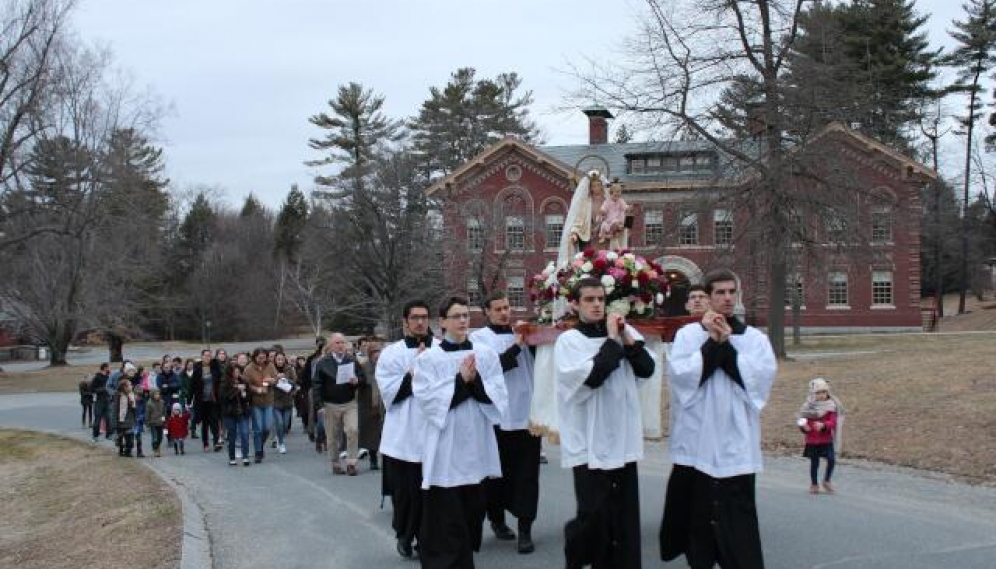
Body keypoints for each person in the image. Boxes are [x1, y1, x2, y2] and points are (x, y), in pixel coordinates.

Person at [661, 269, 777, 569]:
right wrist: (712, 343)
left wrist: (725, 345)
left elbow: (759, 380)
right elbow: (683, 378)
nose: (727, 298)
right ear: (709, 298)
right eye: (720, 293)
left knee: (737, 516)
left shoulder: (753, 339)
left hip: (735, 439)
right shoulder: (688, 335)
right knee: (698, 516)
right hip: (697, 439)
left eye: (731, 292)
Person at [555, 277, 655, 569]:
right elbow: (592, 377)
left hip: (622, 437)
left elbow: (647, 369)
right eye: (589, 300)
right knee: (594, 516)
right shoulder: (569, 341)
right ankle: (576, 548)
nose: (597, 304)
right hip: (588, 439)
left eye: (601, 299)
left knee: (623, 518)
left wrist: (626, 340)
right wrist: (612, 341)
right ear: (575, 304)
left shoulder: (624, 332)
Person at [413, 297, 508, 569]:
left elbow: (498, 397)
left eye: (466, 315)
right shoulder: (429, 359)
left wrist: (474, 380)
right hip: (445, 447)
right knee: (448, 521)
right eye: (456, 316)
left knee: (472, 512)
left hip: (476, 443)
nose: (463, 321)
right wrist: (460, 381)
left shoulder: (485, 355)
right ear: (442, 322)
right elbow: (429, 403)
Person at [470, 292, 540, 554]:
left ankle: (525, 529)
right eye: (498, 309)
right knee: (495, 475)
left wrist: (531, 341)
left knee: (527, 476)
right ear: (487, 312)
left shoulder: (524, 333)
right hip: (496, 417)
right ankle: (497, 520)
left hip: (526, 417)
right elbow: (491, 369)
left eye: (507, 307)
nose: (503, 312)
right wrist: (517, 347)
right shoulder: (479, 339)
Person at [376, 300, 437, 559]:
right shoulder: (391, 353)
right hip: (404, 434)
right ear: (405, 322)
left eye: (424, 317)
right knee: (406, 494)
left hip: (434, 432)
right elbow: (390, 395)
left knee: (431, 493)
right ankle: (404, 534)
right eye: (415, 318)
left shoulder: (441, 349)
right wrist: (414, 371)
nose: (420, 322)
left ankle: (427, 539)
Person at [313, 333, 366, 475]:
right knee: (332, 436)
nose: (340, 345)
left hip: (349, 402)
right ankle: (335, 463)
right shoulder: (322, 363)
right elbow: (316, 385)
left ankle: (351, 462)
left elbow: (362, 378)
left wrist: (357, 380)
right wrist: (320, 406)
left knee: (353, 430)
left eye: (342, 342)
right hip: (330, 404)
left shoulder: (351, 360)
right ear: (330, 346)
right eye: (337, 343)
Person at [798, 377, 841, 494]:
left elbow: (833, 422)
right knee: (814, 463)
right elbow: (801, 420)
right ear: (812, 394)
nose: (821, 395)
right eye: (818, 393)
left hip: (826, 439)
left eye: (824, 392)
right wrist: (804, 427)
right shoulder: (807, 407)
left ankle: (827, 480)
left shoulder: (831, 406)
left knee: (831, 460)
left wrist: (824, 425)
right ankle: (814, 484)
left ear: (828, 392)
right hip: (812, 440)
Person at [243, 348, 277, 463]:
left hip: (268, 400)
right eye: (259, 358)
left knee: (267, 427)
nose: (262, 360)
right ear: (255, 357)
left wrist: (272, 380)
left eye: (264, 357)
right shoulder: (248, 369)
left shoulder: (271, 366)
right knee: (258, 429)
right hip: (255, 402)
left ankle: (260, 445)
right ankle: (258, 452)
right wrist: (256, 389)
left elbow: (276, 379)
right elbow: (246, 384)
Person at [357, 340, 384, 471]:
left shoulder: (386, 365)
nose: (377, 355)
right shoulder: (363, 366)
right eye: (374, 352)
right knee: (371, 434)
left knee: (385, 432)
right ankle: (373, 459)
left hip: (384, 403)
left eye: (379, 351)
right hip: (368, 402)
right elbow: (359, 383)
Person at [221, 362, 253, 466]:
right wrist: (237, 390)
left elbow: (249, 397)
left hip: (242, 412)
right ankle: (232, 457)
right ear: (230, 372)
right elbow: (224, 398)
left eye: (238, 371)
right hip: (230, 413)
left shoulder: (244, 381)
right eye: (235, 371)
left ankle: (245, 456)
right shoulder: (224, 383)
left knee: (244, 434)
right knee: (232, 436)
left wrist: (245, 394)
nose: (237, 373)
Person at [191, 349, 223, 452]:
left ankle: (216, 442)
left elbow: (219, 377)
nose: (207, 357)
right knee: (205, 423)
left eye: (209, 356)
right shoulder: (197, 369)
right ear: (202, 356)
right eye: (205, 355)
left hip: (212, 399)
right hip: (201, 400)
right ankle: (205, 443)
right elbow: (193, 386)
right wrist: (188, 400)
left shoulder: (214, 367)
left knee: (214, 421)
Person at [272, 352, 299, 454]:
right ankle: (281, 443)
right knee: (279, 423)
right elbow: (266, 382)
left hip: (287, 401)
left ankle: (279, 437)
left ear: (285, 360)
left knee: (285, 424)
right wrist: (276, 379)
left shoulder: (289, 369)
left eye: (281, 359)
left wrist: (285, 379)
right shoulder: (271, 369)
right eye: (278, 359)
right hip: (275, 400)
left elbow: (295, 382)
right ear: (275, 360)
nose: (280, 361)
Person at [112, 379, 137, 457]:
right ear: (124, 387)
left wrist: (132, 403)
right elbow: (115, 409)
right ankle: (121, 449)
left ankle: (128, 451)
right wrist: (115, 422)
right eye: (129, 385)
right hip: (121, 420)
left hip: (130, 419)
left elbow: (134, 408)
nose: (131, 386)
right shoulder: (118, 395)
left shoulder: (131, 395)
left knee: (130, 437)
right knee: (121, 437)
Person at [90, 363, 113, 442]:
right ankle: (95, 436)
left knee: (108, 418)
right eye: (109, 367)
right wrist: (103, 389)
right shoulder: (97, 377)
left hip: (107, 400)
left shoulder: (108, 377)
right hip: (99, 401)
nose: (110, 369)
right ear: (105, 368)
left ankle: (109, 435)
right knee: (98, 419)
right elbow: (92, 389)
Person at [146, 389, 167, 458]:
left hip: (160, 423)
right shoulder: (149, 404)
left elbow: (164, 413)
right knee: (155, 438)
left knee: (160, 437)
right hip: (153, 423)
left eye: (158, 394)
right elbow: (147, 414)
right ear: (152, 395)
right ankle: (155, 450)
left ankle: (158, 447)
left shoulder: (162, 402)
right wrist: (148, 423)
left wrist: (164, 421)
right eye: (156, 394)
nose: (157, 396)